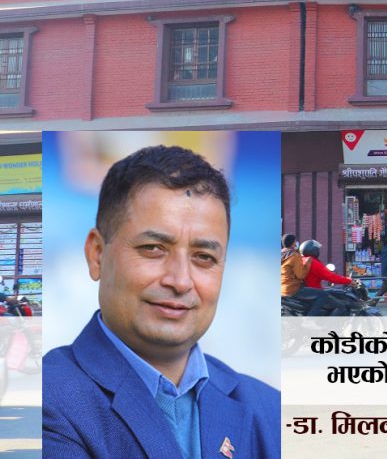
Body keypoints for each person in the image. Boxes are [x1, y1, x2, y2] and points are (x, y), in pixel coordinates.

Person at [43, 145, 280, 458]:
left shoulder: (270, 409)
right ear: (97, 254)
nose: (180, 281)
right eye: (153, 249)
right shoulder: (48, 400)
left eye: (204, 257)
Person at [299, 238, 355, 316]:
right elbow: (331, 277)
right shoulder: (312, 262)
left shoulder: (302, 260)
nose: (318, 252)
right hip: (314, 291)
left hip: (306, 291)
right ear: (313, 251)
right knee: (341, 306)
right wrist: (349, 280)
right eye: (317, 250)